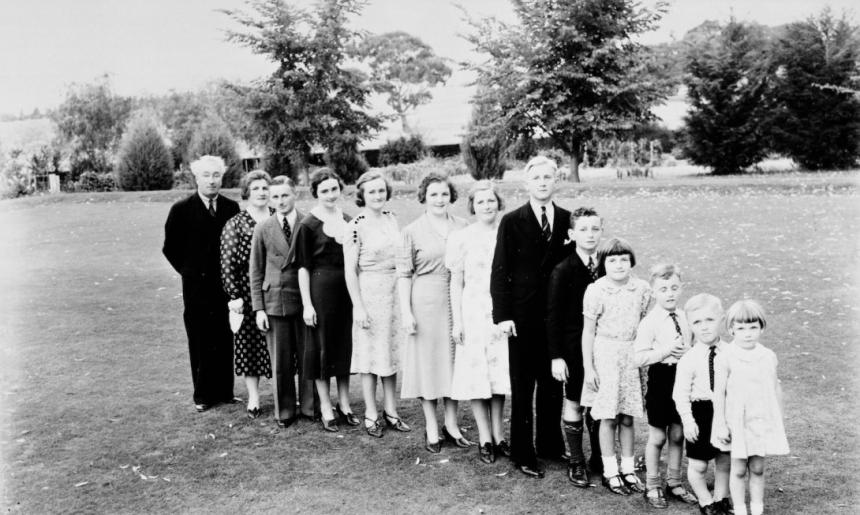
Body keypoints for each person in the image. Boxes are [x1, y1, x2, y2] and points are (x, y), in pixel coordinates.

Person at [490, 155, 572, 478]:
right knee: (523, 388)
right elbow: (500, 271)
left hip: (555, 317)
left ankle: (550, 444)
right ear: (527, 183)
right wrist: (503, 316)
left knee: (552, 385)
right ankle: (523, 453)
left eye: (547, 177)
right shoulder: (512, 221)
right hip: (522, 318)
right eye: (536, 178)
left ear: (556, 181)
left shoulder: (566, 219)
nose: (542, 182)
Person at [397, 172, 469, 453]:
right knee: (427, 364)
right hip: (425, 300)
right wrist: (406, 312)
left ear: (451, 196)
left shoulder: (462, 226)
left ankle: (451, 424)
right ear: (424, 197)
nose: (440, 199)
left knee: (453, 362)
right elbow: (404, 275)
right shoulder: (412, 230)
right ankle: (431, 426)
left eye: (444, 194)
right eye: (434, 194)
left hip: (457, 300)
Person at [163, 155, 240, 412]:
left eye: (216, 175)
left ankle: (225, 392)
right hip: (196, 288)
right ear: (196, 178)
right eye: (206, 175)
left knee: (224, 337)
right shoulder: (181, 209)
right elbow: (170, 248)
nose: (211, 180)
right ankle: (203, 395)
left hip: (225, 287)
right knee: (200, 338)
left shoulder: (231, 208)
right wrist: (190, 272)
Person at [580, 237, 651, 495]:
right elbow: (588, 332)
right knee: (608, 416)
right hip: (606, 355)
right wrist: (589, 368)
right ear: (604, 263)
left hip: (632, 355)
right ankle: (610, 472)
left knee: (628, 415)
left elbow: (646, 325)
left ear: (631, 262)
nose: (619, 265)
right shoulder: (596, 290)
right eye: (612, 260)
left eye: (624, 259)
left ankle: (628, 469)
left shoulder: (642, 289)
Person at [446, 181, 510, 464]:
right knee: (477, 375)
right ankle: (484, 438)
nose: (487, 206)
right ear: (472, 206)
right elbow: (455, 282)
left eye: (491, 200)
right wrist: (457, 322)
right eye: (480, 201)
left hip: (500, 312)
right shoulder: (461, 237)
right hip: (472, 312)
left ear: (499, 203)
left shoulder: (507, 233)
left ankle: (499, 435)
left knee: (498, 375)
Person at [343, 171, 411, 438]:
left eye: (381, 190)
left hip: (394, 293)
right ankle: (371, 412)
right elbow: (350, 271)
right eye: (371, 191)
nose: (377, 195)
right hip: (369, 294)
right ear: (362, 194)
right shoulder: (355, 226)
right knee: (370, 357)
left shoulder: (392, 219)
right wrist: (358, 306)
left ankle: (391, 411)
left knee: (390, 353)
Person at [249, 176, 317, 428]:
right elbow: (255, 271)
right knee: (281, 360)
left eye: (285, 195)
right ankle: (285, 411)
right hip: (275, 301)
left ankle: (311, 407)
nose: (280, 201)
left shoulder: (308, 223)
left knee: (308, 355)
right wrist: (259, 309)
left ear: (294, 195)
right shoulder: (263, 228)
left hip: (305, 298)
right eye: (275, 196)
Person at [293, 169, 357, 432]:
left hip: (346, 292)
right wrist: (307, 304)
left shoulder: (349, 220)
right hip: (320, 293)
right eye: (324, 191)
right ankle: (326, 407)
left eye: (334, 189)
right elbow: (302, 268)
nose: (331, 195)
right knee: (321, 348)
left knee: (343, 346)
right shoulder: (308, 224)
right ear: (316, 193)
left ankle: (345, 404)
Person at [712, 300, 788, 515]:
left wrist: (778, 419)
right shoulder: (726, 356)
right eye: (741, 328)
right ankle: (740, 510)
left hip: (759, 419)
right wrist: (721, 424)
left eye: (753, 327)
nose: (747, 334)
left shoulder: (767, 356)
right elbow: (719, 393)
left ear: (761, 328)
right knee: (737, 469)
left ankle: (757, 510)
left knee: (757, 467)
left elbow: (774, 388)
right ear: (731, 330)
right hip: (735, 421)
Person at [547, 207, 604, 486]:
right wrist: (556, 356)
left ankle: (600, 457)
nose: (590, 234)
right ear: (571, 234)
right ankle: (577, 460)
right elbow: (553, 316)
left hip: (603, 347)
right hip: (573, 349)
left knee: (600, 403)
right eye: (583, 229)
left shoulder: (608, 265)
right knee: (575, 402)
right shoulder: (563, 269)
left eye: (595, 229)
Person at [633, 264, 697, 508]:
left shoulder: (685, 316)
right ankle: (652, 485)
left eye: (674, 288)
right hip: (661, 378)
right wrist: (665, 351)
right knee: (658, 436)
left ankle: (674, 482)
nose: (669, 293)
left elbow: (694, 347)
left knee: (678, 433)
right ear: (653, 292)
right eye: (663, 289)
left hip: (683, 379)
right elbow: (639, 357)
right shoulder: (650, 322)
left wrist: (688, 351)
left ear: (681, 288)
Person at [220, 170, 274, 419]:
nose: (261, 193)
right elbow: (227, 262)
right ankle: (254, 397)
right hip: (247, 292)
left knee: (278, 344)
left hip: (276, 291)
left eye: (265, 188)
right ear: (247, 193)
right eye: (256, 189)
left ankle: (282, 393)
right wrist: (234, 296)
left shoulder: (278, 216)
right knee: (250, 346)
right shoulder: (236, 223)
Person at [673, 293, 733, 515]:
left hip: (725, 411)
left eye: (710, 320)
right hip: (700, 412)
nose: (704, 327)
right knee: (698, 464)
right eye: (697, 322)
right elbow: (680, 394)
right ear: (690, 325)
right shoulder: (689, 358)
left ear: (722, 319)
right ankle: (706, 501)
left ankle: (721, 499)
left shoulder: (732, 353)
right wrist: (688, 421)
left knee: (724, 459)